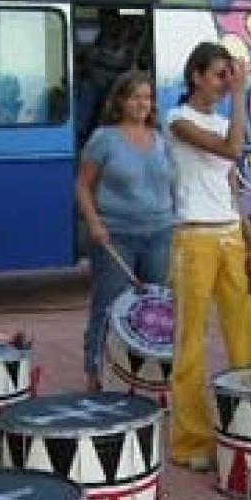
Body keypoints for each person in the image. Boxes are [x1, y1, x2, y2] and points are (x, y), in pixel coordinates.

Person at [165, 41, 251, 472]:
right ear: (196, 76)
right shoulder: (177, 119)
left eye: (231, 75)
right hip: (194, 238)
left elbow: (232, 185)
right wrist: (242, 93)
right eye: (220, 74)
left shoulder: (226, 122)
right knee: (190, 341)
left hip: (230, 235)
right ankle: (190, 440)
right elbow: (231, 150)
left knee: (248, 334)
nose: (227, 83)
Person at [75, 70, 174, 392]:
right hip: (116, 236)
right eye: (135, 97)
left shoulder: (160, 138)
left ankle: (146, 372)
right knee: (109, 305)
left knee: (156, 309)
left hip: (160, 233)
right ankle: (95, 371)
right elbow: (82, 186)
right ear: (119, 101)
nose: (142, 104)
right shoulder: (104, 138)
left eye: (147, 97)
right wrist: (94, 223)